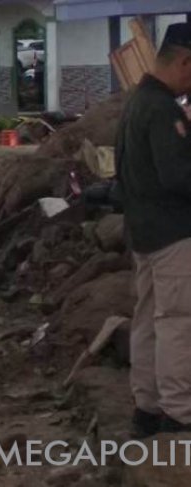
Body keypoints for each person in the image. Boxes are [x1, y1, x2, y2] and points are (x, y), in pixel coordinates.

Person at [116, 23, 191, 438]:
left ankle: (146, 408)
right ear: (184, 61)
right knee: (179, 322)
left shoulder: (137, 101)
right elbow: (178, 176)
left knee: (148, 320)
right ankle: (180, 415)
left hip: (143, 232)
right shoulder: (163, 109)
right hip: (173, 234)